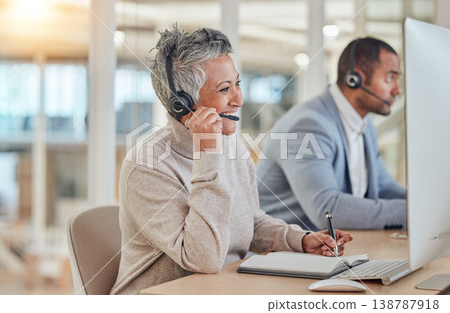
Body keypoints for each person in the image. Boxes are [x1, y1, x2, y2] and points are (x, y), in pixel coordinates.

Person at [110, 25, 352, 295]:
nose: (238, 99)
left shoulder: (230, 143)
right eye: (224, 89)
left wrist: (300, 240)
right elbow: (203, 258)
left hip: (220, 292)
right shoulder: (148, 165)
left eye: (237, 83)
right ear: (183, 103)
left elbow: (250, 222)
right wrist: (208, 154)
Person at [257, 37, 407, 231]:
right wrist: (410, 213)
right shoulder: (308, 125)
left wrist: (428, 206)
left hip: (330, 250)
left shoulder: (364, 125)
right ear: (355, 79)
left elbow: (383, 187)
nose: (397, 90)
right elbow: (328, 210)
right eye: (390, 78)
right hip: (281, 254)